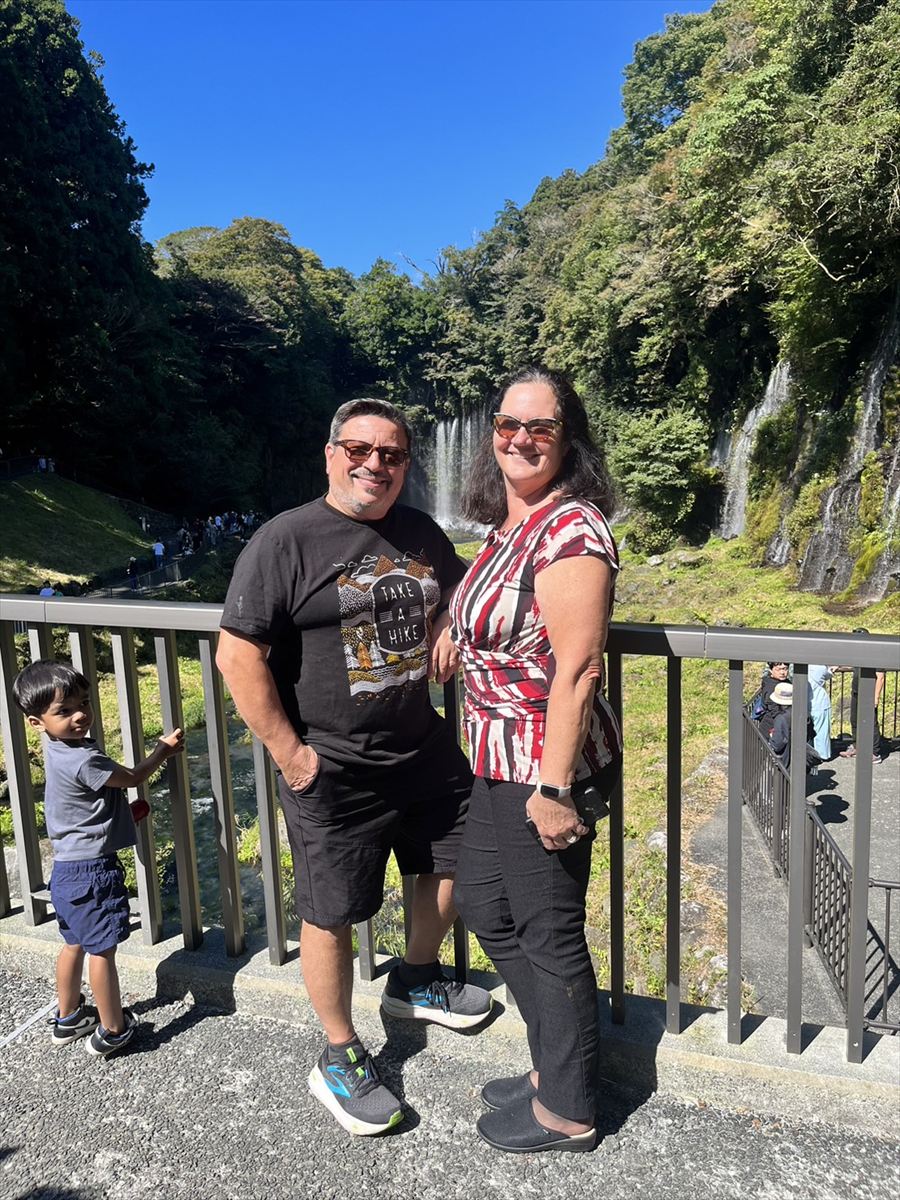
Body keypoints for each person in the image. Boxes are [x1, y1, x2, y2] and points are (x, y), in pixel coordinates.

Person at [216, 397, 492, 1138]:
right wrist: (289, 753)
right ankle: (338, 1053)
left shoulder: (420, 531)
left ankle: (415, 980)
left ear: (406, 464)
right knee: (330, 912)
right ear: (332, 454)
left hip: (422, 748)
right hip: (331, 765)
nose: (375, 465)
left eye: (392, 455)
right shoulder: (286, 541)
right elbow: (238, 655)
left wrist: (451, 625)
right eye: (359, 449)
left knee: (453, 859)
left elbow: (463, 582)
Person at [449, 366, 623, 1155]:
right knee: (486, 909)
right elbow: (498, 611)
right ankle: (558, 1062)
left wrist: (553, 790)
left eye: (540, 428)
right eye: (508, 425)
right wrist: (455, 631)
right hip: (492, 760)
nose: (520, 439)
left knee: (549, 934)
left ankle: (571, 1110)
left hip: (543, 770)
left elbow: (579, 666)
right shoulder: (508, 528)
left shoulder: (572, 529)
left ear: (567, 440)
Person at [11, 660, 184, 1058]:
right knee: (102, 951)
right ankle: (113, 1029)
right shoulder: (86, 760)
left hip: (66, 871)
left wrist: (123, 813)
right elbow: (134, 777)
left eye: (84, 703)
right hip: (93, 871)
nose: (80, 715)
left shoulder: (55, 748)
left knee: (73, 943)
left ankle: (68, 1016)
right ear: (37, 722)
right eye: (65, 711)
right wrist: (164, 750)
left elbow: (88, 803)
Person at [837, 630, 886, 764]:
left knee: (871, 722)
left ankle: (874, 752)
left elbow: (880, 677)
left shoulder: (875, 654)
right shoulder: (858, 653)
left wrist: (875, 697)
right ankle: (857, 746)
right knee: (855, 720)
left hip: (868, 694)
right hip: (856, 691)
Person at [756, 661, 790, 738]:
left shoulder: (787, 682)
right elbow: (774, 709)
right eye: (778, 669)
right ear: (771, 670)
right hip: (771, 726)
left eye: (785, 669)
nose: (782, 672)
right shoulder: (770, 686)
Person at [808, 664, 834, 762]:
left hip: (807, 703)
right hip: (820, 702)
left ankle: (811, 753)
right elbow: (828, 674)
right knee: (821, 731)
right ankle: (822, 754)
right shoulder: (820, 667)